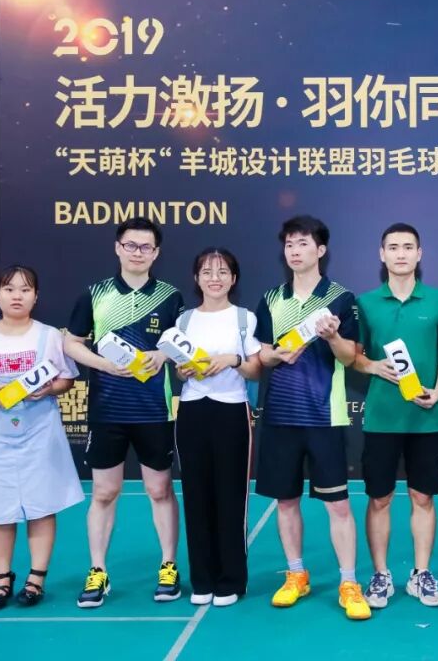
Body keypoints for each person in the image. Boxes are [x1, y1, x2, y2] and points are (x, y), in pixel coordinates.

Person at [63, 217, 185, 608]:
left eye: (145, 247)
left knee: (159, 490)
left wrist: (162, 354)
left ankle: (168, 565)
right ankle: (98, 570)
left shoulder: (170, 296)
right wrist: (103, 364)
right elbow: (71, 343)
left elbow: (184, 346)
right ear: (118, 248)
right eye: (130, 245)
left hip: (154, 410)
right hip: (107, 409)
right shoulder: (95, 294)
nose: (137, 253)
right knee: (104, 491)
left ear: (156, 253)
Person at [254, 215, 371, 621]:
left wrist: (333, 336)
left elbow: (351, 357)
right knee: (286, 501)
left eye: (303, 243)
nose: (294, 250)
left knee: (337, 504)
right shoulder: (271, 299)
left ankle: (349, 582)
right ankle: (296, 575)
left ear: (320, 250)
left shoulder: (340, 298)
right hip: (280, 415)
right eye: (289, 244)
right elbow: (261, 355)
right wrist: (275, 355)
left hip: (325, 415)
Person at [0, 265, 83, 611]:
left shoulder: (49, 336)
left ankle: (36, 579)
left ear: (36, 297)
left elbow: (67, 379)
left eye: (25, 290)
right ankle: (1, 581)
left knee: (42, 505)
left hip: (40, 433)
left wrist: (49, 389)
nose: (17, 296)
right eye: (9, 289)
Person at [355, 223, 438, 609]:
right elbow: (354, 357)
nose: (401, 253)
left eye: (408, 247)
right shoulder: (366, 303)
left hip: (425, 417)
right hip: (381, 418)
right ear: (381, 254)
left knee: (422, 496)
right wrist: (372, 366)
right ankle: (381, 575)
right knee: (379, 498)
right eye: (393, 247)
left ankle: (421, 574)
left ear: (420, 253)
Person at [173, 247, 262, 607]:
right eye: (207, 272)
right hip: (192, 411)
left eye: (223, 271)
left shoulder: (244, 319)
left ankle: (231, 580)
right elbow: (178, 369)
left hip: (231, 411)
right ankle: (202, 579)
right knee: (196, 496)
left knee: (230, 496)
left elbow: (256, 369)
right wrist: (183, 370)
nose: (215, 278)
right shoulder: (183, 321)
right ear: (196, 278)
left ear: (233, 278)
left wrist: (233, 360)